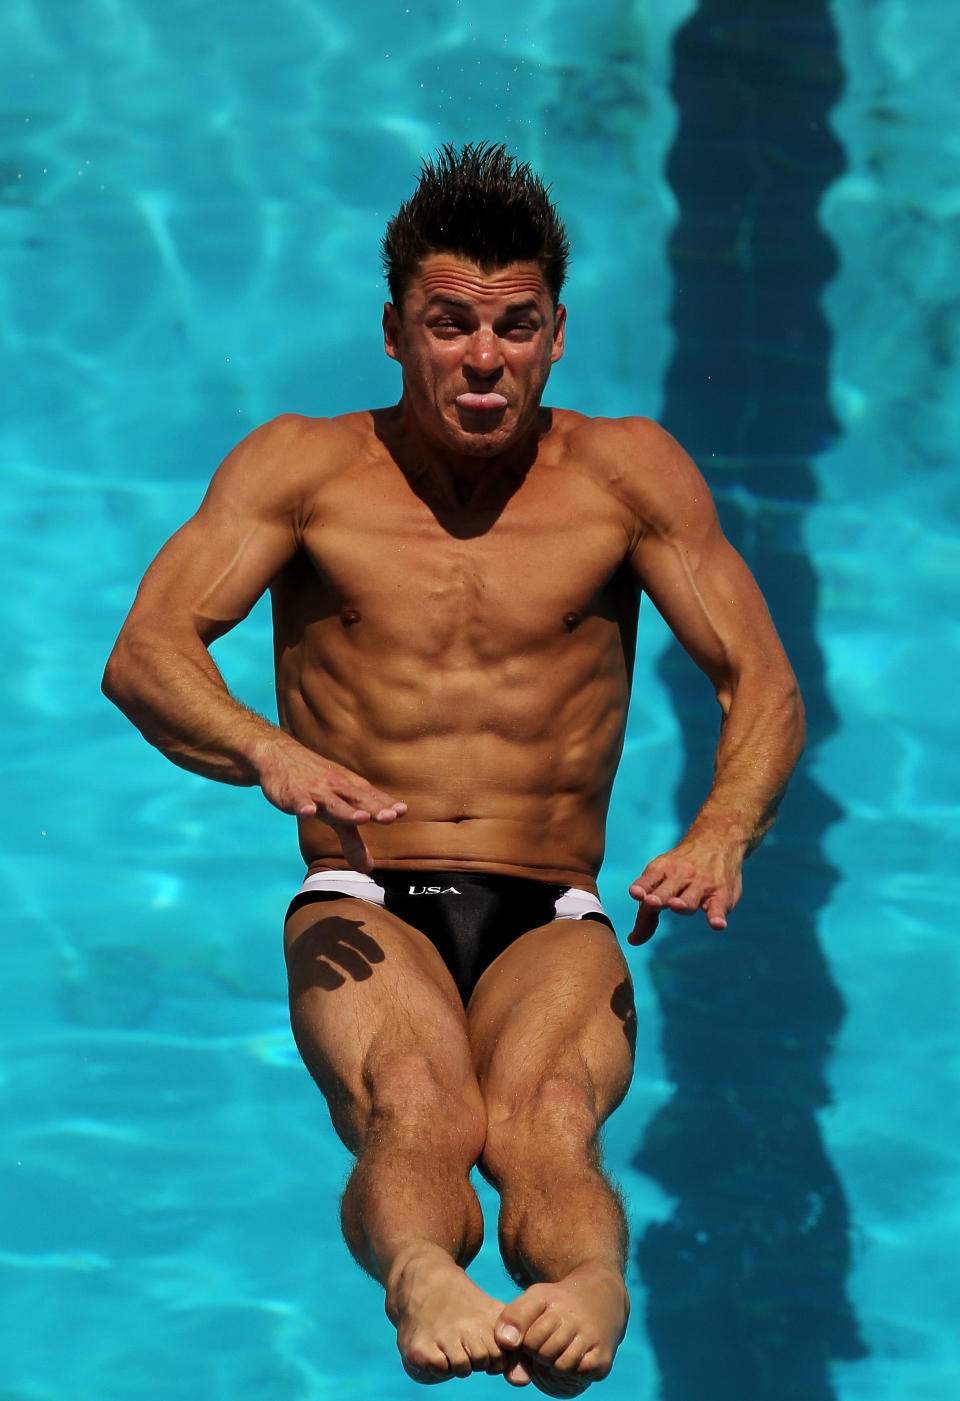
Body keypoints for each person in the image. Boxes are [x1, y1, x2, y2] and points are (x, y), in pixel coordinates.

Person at [102, 142, 804, 1394]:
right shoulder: (302, 470)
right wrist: (269, 751)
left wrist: (723, 831)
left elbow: (763, 678)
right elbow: (148, 654)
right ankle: (423, 1272)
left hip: (552, 899)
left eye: (515, 326)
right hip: (368, 891)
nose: (484, 357)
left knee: (546, 1120)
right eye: (451, 324)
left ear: (556, 332)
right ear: (395, 332)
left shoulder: (627, 476)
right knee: (416, 1098)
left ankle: (589, 1279)